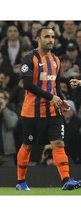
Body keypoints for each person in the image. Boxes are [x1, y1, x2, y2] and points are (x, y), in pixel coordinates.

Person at [16, 26, 81, 191]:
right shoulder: (30, 58)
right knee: (27, 145)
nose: (50, 40)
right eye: (47, 37)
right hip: (32, 111)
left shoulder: (56, 60)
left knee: (58, 143)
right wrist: (52, 97)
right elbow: (27, 84)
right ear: (39, 38)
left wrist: (62, 99)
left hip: (53, 111)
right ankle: (21, 182)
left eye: (52, 37)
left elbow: (56, 84)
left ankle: (66, 180)